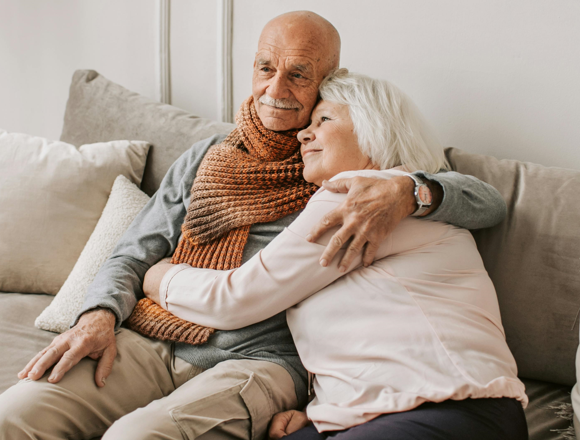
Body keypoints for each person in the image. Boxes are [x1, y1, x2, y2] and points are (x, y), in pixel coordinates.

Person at [0, 11, 507, 440]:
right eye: (266, 67)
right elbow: (134, 251)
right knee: (15, 415)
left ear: (329, 79)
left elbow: (485, 201)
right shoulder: (208, 156)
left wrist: (408, 191)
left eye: (299, 74)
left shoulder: (351, 175)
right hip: (156, 335)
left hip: (259, 359)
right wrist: (98, 315)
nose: (275, 89)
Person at [141, 69, 528, 440]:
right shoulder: (397, 195)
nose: (303, 134)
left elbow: (236, 298)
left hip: (452, 406)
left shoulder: (361, 196)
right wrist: (318, 408)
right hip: (379, 414)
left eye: (323, 119)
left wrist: (159, 278)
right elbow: (366, 331)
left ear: (373, 129)